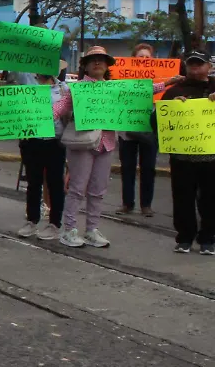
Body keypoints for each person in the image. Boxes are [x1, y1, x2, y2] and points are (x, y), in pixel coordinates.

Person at [53, 46, 180, 248]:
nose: (97, 63)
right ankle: (68, 229)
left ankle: (91, 229)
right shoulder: (75, 89)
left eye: (101, 60)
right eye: (93, 59)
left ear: (107, 65)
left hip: (106, 143)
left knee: (98, 189)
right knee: (77, 189)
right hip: (83, 144)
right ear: (85, 65)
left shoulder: (114, 88)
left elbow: (141, 90)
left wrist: (167, 84)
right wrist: (38, 118)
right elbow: (59, 108)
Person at [159, 51, 215, 254]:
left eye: (199, 64)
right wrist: (171, 109)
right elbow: (157, 120)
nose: (195, 68)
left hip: (211, 157)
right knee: (182, 198)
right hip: (182, 156)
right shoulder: (175, 91)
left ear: (208, 66)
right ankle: (184, 238)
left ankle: (208, 238)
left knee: (210, 198)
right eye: (191, 64)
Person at [16, 69, 68, 240]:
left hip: (55, 141)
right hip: (32, 139)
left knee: (55, 183)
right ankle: (32, 220)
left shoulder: (64, 89)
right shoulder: (27, 81)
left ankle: (55, 223)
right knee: (33, 182)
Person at [117, 42, 161, 216]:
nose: (143, 60)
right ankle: (127, 203)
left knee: (148, 167)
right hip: (127, 129)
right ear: (132, 60)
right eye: (140, 57)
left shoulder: (159, 80)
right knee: (127, 167)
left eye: (147, 58)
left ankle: (146, 205)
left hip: (149, 128)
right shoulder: (123, 79)